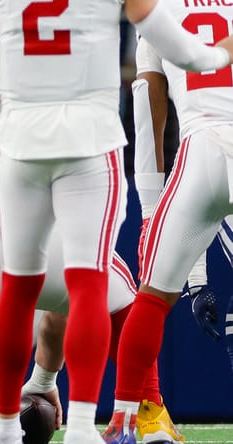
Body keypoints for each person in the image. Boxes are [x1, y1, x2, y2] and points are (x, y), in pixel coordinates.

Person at [0, 0, 233, 442]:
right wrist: (220, 55)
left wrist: (0, 137)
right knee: (88, 284)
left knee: (22, 287)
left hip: (25, 136)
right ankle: (84, 428)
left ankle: (17, 426)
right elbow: (189, 54)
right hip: (90, 138)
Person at [0, 138, 182, 444]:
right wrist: (42, 380)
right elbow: (59, 317)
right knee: (125, 303)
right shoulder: (58, 142)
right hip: (70, 242)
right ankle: (150, 415)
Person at [105, 0, 233, 441]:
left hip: (201, 145)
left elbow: (149, 116)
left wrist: (148, 211)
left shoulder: (156, 11)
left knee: (152, 299)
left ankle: (126, 421)